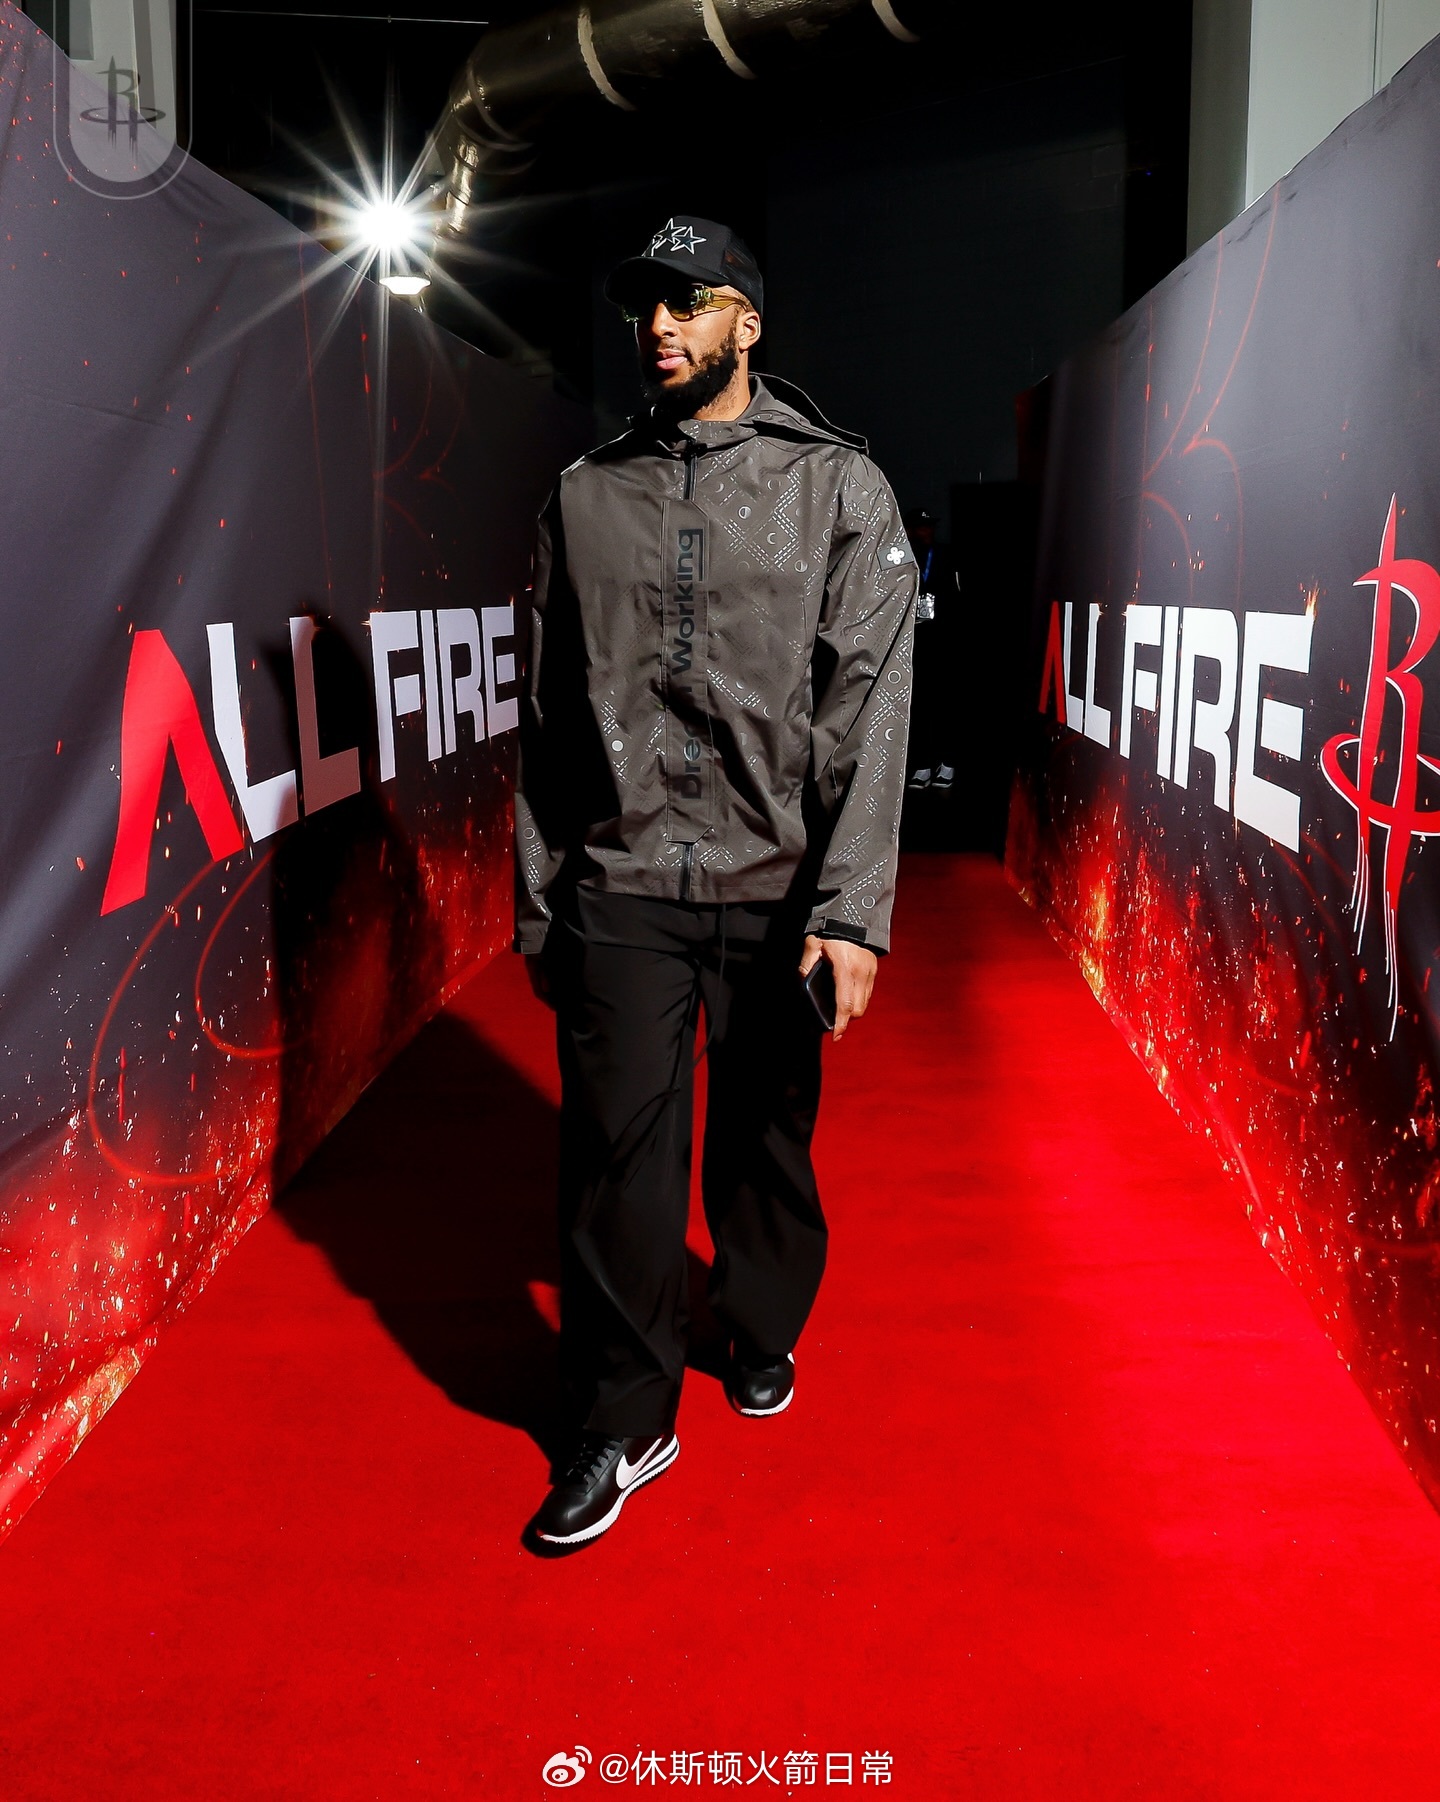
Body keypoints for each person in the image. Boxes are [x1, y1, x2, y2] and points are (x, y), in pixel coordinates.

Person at [514, 215, 916, 1550]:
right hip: (623, 879)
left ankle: (757, 1319)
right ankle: (622, 1419)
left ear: (747, 322)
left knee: (764, 1137)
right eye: (647, 305)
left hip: (779, 880)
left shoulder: (842, 489)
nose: (660, 326)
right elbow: (546, 718)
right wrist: (540, 899)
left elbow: (871, 708)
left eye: (689, 302)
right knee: (612, 1157)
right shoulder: (582, 497)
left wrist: (851, 911)